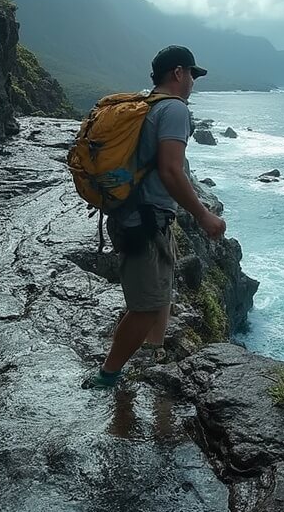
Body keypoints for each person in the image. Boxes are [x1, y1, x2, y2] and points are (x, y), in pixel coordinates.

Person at [83, 45, 227, 389]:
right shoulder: (175, 110)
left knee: (160, 292)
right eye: (192, 74)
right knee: (146, 305)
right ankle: (108, 375)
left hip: (135, 214)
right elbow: (171, 171)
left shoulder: (146, 107)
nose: (194, 82)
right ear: (178, 73)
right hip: (144, 221)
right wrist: (204, 215)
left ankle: (154, 352)